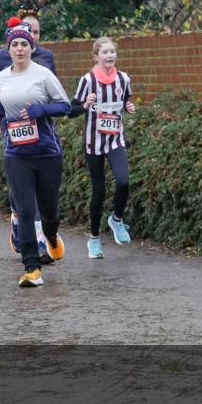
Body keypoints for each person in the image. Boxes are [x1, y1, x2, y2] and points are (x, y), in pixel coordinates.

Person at [0, 20, 71, 287]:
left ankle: (51, 234)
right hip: (16, 154)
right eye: (14, 44)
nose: (19, 48)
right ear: (9, 49)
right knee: (25, 209)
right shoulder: (1, 77)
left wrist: (41, 111)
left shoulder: (43, 74)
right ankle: (31, 268)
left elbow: (65, 106)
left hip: (47, 152)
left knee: (49, 210)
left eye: (24, 44)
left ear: (32, 47)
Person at [0, 7, 57, 259]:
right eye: (27, 30)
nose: (30, 37)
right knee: (21, 182)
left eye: (36, 32)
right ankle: (26, 227)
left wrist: (43, 109)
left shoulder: (46, 59)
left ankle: (36, 236)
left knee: (38, 188)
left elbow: (53, 95)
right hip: (11, 128)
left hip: (41, 129)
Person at [68, 37, 136, 258]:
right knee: (99, 191)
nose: (109, 56)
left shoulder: (124, 79)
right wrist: (85, 105)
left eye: (112, 52)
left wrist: (129, 106)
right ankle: (94, 239)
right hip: (93, 142)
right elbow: (72, 109)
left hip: (115, 140)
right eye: (105, 52)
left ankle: (116, 219)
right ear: (96, 56)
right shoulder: (87, 80)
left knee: (124, 182)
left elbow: (126, 100)